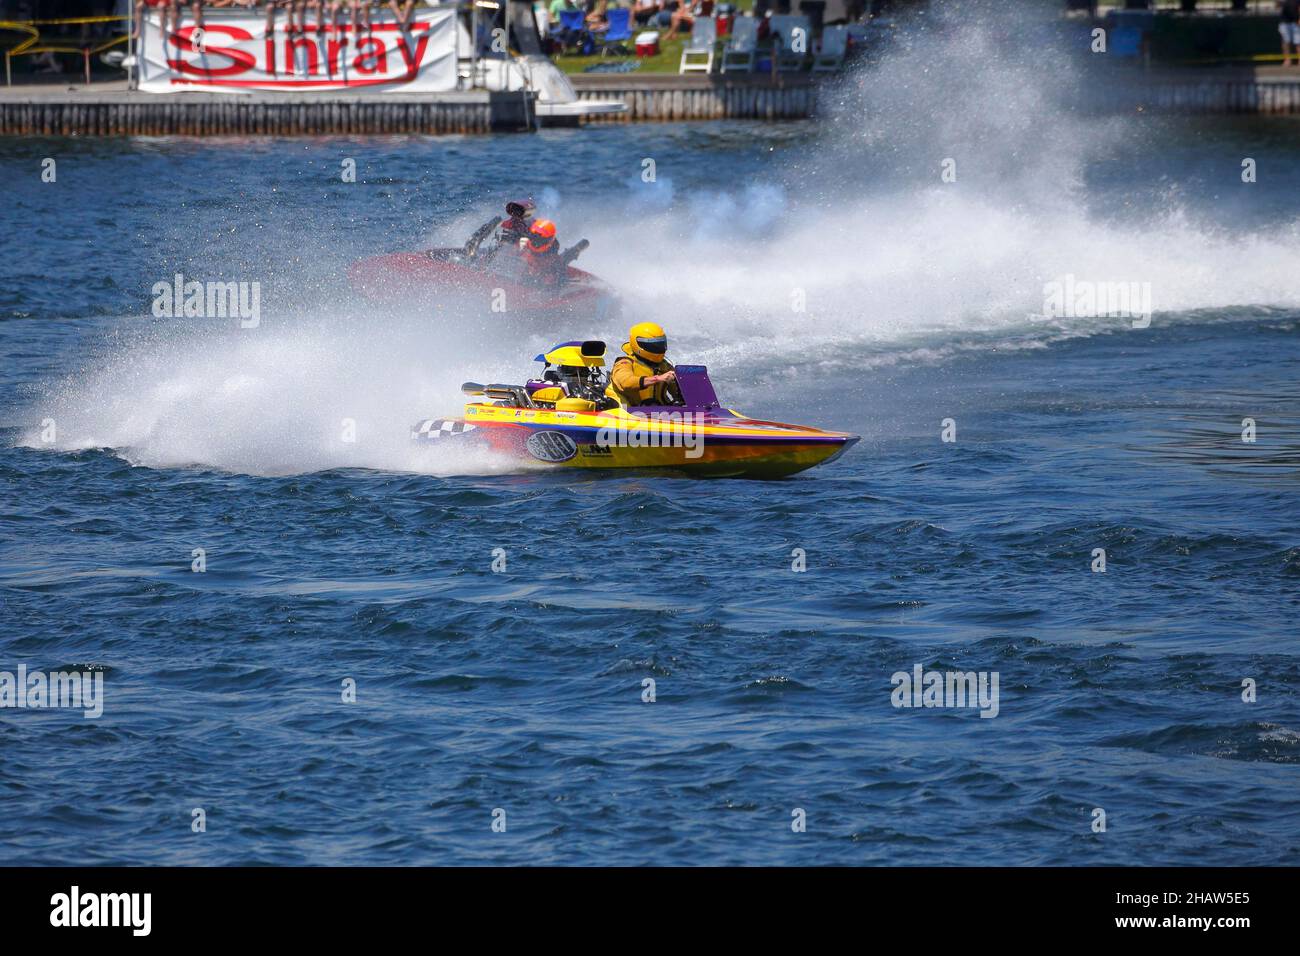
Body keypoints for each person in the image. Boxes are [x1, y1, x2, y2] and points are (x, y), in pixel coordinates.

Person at [607, 321, 679, 406]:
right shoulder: (624, 363)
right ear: (637, 344)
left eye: (660, 344)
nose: (658, 348)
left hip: (659, 413)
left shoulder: (665, 366)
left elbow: (679, 394)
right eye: (653, 345)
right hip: (628, 412)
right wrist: (658, 379)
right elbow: (625, 382)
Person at [521, 219, 565, 285]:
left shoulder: (553, 261)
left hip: (525, 286)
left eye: (539, 240)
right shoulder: (520, 240)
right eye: (533, 236)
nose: (534, 242)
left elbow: (554, 283)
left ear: (549, 241)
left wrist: (539, 278)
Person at [1281, 0, 1300, 68]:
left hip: (1296, 23)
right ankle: (1287, 60)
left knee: (1298, 42)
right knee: (1286, 42)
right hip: (1285, 23)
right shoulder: (1285, 2)